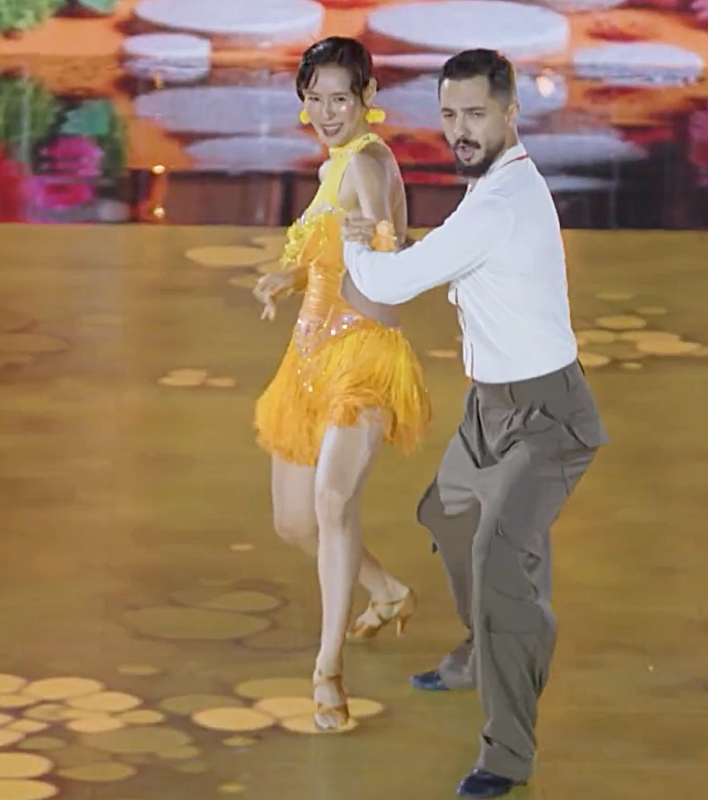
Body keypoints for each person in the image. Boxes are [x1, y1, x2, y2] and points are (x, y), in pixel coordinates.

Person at [340, 49, 607, 799]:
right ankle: (485, 645)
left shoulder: (501, 202)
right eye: (449, 114)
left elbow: (392, 281)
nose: (460, 129)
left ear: (511, 114)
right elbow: (446, 259)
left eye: (476, 114)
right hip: (489, 410)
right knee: (448, 514)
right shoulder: (491, 186)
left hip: (548, 419)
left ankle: (507, 755)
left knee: (501, 568)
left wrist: (354, 239)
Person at [252, 36, 432, 733]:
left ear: (367, 98)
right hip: (306, 359)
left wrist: (383, 238)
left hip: (363, 358)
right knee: (294, 522)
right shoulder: (334, 167)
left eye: (340, 98)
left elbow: (390, 243)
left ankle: (328, 672)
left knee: (331, 502)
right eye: (316, 99)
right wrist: (289, 274)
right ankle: (385, 591)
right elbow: (332, 246)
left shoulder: (369, 161)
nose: (328, 112)